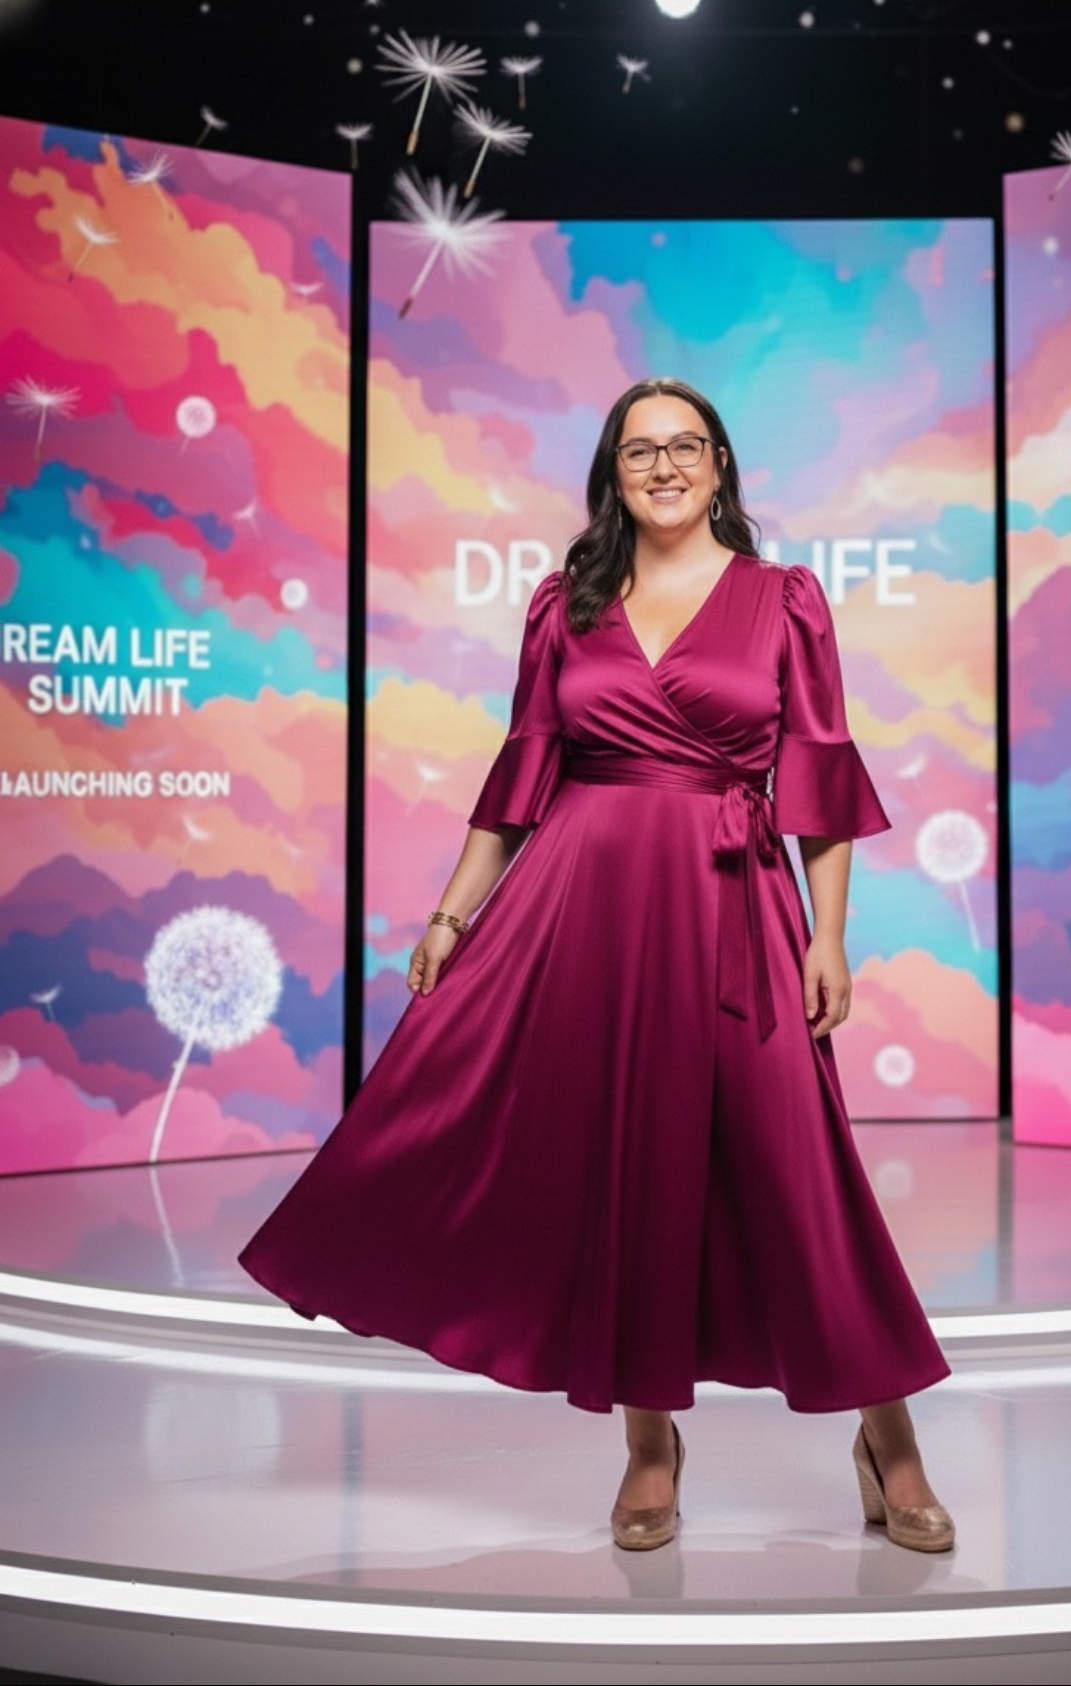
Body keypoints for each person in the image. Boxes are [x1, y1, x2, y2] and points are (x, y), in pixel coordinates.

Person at [239, 377, 954, 1554]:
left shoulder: (786, 600)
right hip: (585, 910)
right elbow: (524, 770)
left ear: (721, 465)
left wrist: (829, 934)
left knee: (801, 1172)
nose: (664, 467)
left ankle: (889, 1436)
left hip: (735, 909)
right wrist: (452, 917)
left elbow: (818, 776)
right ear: (611, 475)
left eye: (685, 447)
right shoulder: (561, 605)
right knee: (632, 1168)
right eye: (639, 451)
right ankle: (648, 1445)